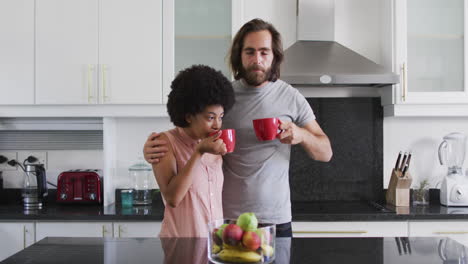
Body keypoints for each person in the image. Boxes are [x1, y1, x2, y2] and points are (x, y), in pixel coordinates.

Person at [144, 19, 332, 237]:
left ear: (274, 56)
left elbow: (326, 152)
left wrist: (301, 135)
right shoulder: (223, 97)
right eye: (249, 52)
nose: (257, 60)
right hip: (228, 218)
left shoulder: (291, 97)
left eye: (264, 52)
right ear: (239, 55)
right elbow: (187, 130)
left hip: (276, 219)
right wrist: (151, 147)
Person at [153, 65, 235, 237]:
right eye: (210, 117)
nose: (217, 125)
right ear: (189, 115)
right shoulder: (164, 142)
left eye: (220, 117)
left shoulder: (213, 144)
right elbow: (172, 198)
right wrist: (198, 153)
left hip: (214, 246)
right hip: (180, 247)